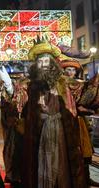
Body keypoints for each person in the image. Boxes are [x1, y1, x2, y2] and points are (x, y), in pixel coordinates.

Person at [16, 37, 86, 188]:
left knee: (62, 161)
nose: (44, 65)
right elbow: (20, 108)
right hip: (39, 131)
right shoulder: (29, 84)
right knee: (41, 161)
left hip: (61, 129)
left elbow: (78, 98)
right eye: (41, 61)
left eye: (47, 61)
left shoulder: (63, 82)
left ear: (53, 63)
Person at [60, 56, 99, 187]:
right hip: (66, 121)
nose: (71, 72)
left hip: (79, 121)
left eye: (73, 70)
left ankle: (86, 178)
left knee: (85, 150)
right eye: (68, 69)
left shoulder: (81, 84)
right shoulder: (61, 84)